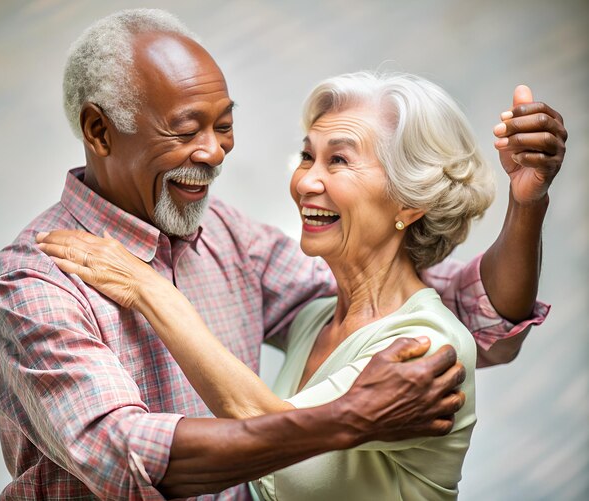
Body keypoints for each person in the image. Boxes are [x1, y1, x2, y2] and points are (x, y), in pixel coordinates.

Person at [0, 8, 566, 501]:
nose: (214, 152)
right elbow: (132, 460)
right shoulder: (33, 282)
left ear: (409, 198)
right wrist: (351, 418)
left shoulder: (228, 235)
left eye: (224, 125)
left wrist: (526, 204)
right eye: (186, 129)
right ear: (99, 132)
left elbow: (452, 318)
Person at [38, 71, 496, 500]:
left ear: (410, 199)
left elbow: (268, 429)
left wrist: (149, 289)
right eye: (306, 156)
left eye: (338, 160)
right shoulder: (314, 318)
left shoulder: (425, 346)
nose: (305, 181)